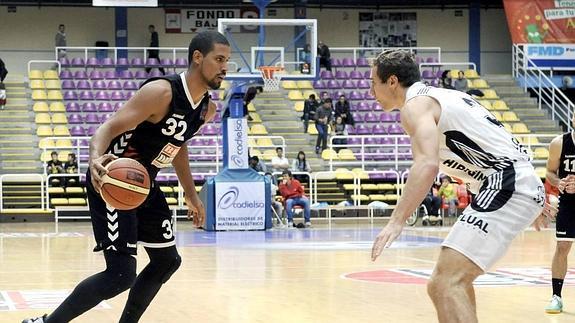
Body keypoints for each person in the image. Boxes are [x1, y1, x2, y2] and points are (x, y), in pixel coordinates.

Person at [23, 30, 229, 323]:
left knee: (166, 261)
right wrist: (95, 160)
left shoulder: (206, 109)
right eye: (218, 59)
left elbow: (177, 145)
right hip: (112, 180)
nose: (224, 67)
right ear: (198, 58)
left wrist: (192, 195)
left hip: (144, 185)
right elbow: (107, 128)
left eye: (227, 61)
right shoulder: (161, 92)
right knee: (119, 275)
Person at [369, 49, 555, 323]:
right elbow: (498, 142)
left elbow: (427, 165)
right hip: (512, 181)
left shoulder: (415, 106)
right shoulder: (449, 96)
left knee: (445, 282)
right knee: (453, 281)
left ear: (393, 81)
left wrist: (397, 220)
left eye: (373, 82)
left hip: (506, 183)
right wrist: (530, 193)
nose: (371, 90)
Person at [544, 125, 575, 314]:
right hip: (568, 204)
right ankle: (556, 296)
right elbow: (549, 172)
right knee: (562, 247)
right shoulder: (559, 143)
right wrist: (559, 182)